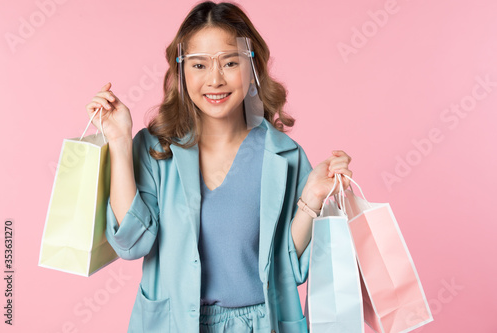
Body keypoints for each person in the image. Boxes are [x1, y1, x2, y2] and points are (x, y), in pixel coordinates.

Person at [85, 1, 353, 332]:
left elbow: (290, 271)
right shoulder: (155, 148)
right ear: (181, 69)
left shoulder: (285, 156)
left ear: (251, 65)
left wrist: (312, 198)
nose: (215, 79)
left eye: (229, 62)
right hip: (174, 324)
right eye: (199, 65)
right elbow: (131, 243)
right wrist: (120, 141)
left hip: (262, 324)